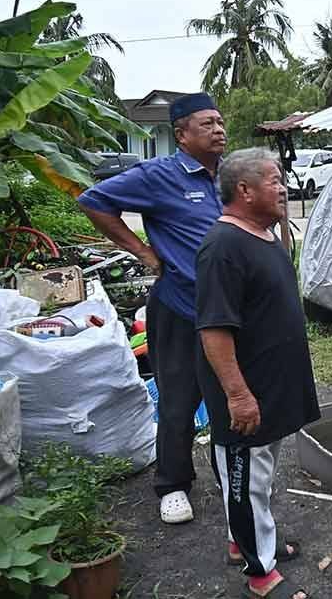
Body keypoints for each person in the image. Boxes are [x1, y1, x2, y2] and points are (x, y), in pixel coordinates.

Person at [77, 93, 224, 524]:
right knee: (179, 400)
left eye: (219, 122)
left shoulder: (230, 175)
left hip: (227, 311)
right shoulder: (159, 175)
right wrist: (142, 251)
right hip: (179, 307)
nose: (218, 130)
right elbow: (93, 200)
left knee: (229, 397)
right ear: (180, 135)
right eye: (206, 124)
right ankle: (173, 485)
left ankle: (230, 476)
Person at [196, 150, 320, 599]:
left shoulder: (264, 236)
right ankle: (260, 574)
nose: (283, 186)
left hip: (273, 383)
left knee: (258, 476)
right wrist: (238, 394)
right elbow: (213, 328)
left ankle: (244, 544)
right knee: (245, 480)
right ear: (244, 191)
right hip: (247, 392)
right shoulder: (223, 246)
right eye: (274, 180)